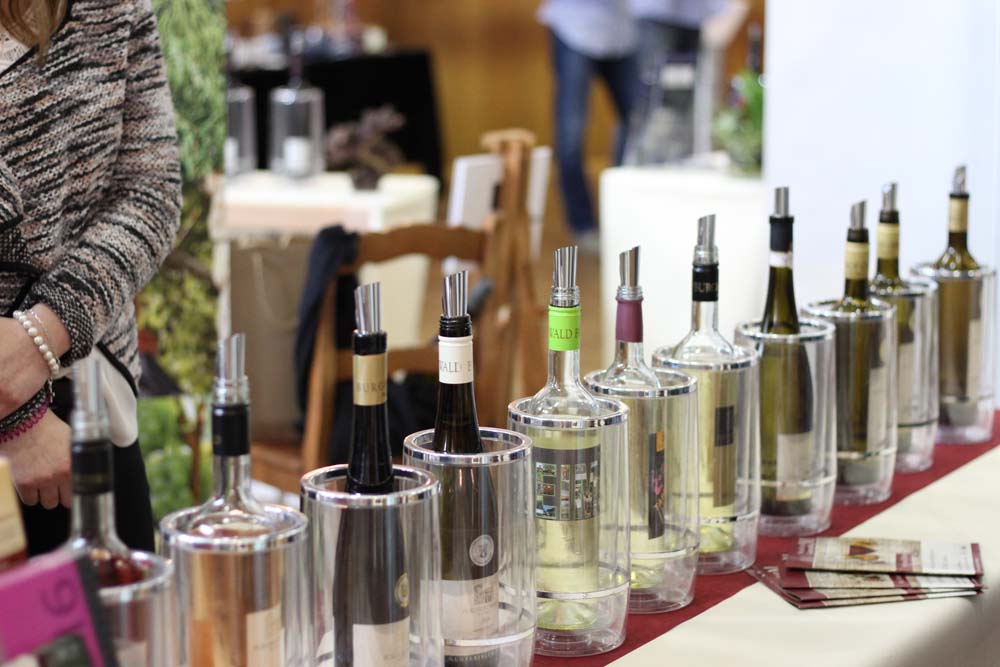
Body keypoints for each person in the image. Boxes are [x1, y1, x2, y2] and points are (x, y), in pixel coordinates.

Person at [0, 0, 181, 554]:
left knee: (117, 609)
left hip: (88, 397)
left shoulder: (111, 6)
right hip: (35, 437)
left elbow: (150, 190)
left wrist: (43, 333)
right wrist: (17, 417)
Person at [538, 0, 639, 254]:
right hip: (574, 29)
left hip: (623, 32)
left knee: (638, 125)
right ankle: (582, 224)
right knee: (570, 134)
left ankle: (623, 210)